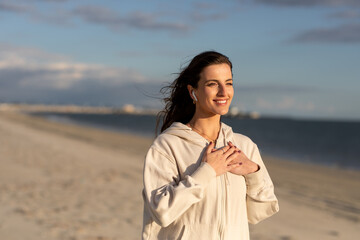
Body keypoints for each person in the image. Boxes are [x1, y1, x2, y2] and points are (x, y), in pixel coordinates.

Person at [142, 51, 279, 240]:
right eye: (212, 84)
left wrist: (253, 172)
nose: (223, 92)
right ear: (193, 92)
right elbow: (161, 212)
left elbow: (260, 212)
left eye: (228, 83)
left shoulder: (244, 146)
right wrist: (207, 171)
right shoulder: (168, 146)